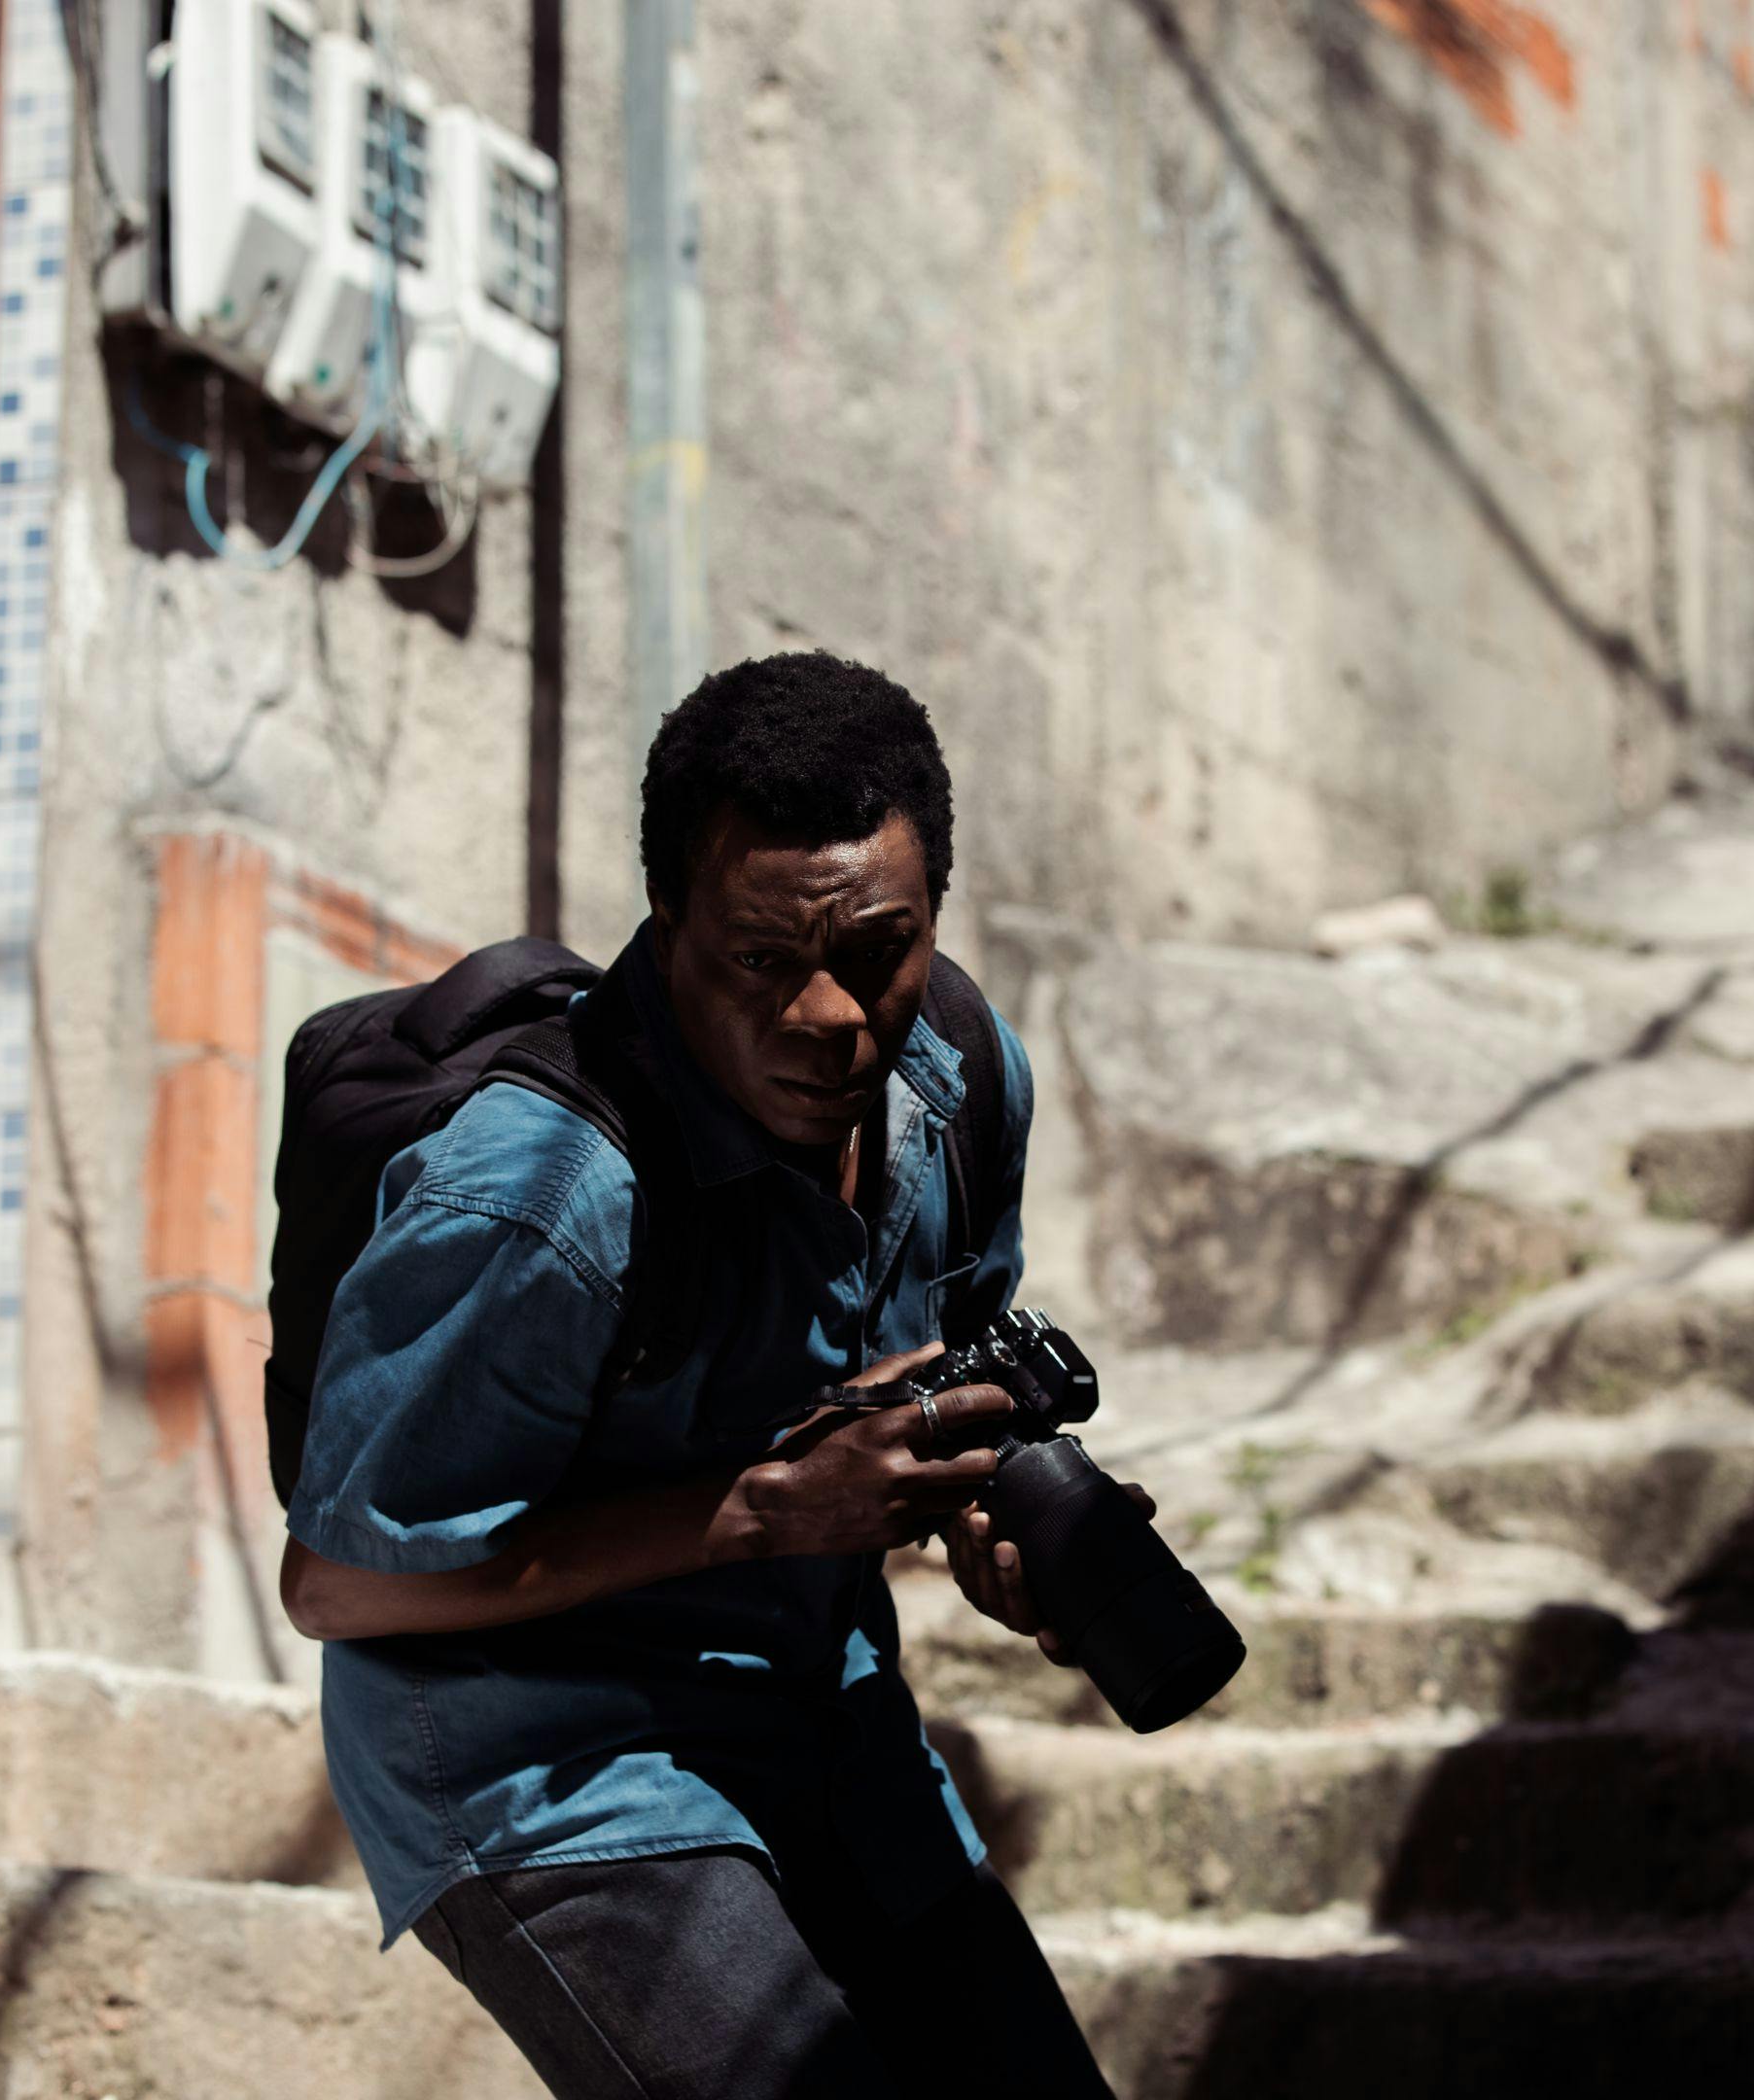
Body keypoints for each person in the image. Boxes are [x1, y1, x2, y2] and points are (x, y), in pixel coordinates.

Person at [276, 651, 1128, 2098]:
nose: (828, 1015)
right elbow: (338, 1587)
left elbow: (932, 1370)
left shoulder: (963, 1080)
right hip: (538, 1756)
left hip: (821, 1709)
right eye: (758, 961)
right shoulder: (538, 1197)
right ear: (668, 927)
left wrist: (986, 1524)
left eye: (876, 950)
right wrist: (761, 1511)